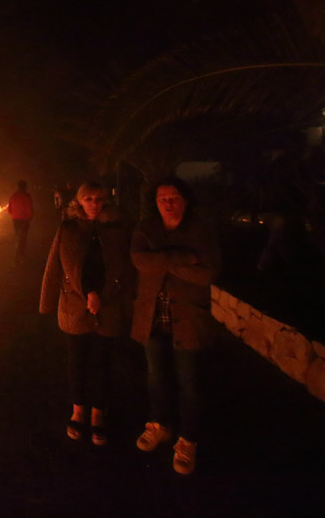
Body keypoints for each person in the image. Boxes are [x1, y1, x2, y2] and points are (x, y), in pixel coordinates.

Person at [130, 177, 219, 474]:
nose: (168, 202)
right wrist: (182, 258)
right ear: (155, 203)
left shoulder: (199, 230)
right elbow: (139, 260)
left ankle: (188, 439)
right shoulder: (146, 228)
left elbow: (206, 274)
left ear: (185, 199)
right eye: (162, 198)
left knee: (189, 382)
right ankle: (160, 424)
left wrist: (162, 260)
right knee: (156, 375)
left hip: (188, 318)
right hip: (152, 314)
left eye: (173, 197)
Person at [40, 181, 133, 445]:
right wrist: (46, 302)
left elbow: (125, 269)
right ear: (79, 202)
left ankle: (98, 414)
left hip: (110, 306)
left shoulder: (117, 230)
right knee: (76, 362)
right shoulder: (67, 228)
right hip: (74, 307)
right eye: (88, 198)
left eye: (98, 198)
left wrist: (126, 304)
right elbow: (54, 266)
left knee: (103, 363)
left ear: (106, 200)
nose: (94, 203)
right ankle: (78, 411)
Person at [7, 180, 34, 266]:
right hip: (24, 220)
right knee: (22, 240)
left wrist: (15, 214)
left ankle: (22, 257)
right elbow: (29, 209)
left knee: (19, 238)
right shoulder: (27, 196)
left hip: (15, 220)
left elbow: (9, 210)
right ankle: (17, 259)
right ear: (25, 187)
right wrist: (30, 217)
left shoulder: (13, 196)